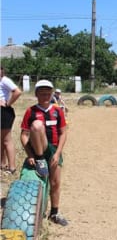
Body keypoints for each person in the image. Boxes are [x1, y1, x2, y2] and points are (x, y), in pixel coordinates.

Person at [21, 80, 68, 226]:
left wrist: (57, 153)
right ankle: (40, 159)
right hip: (37, 149)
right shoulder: (31, 111)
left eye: (48, 94)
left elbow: (63, 133)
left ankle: (54, 213)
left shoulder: (57, 111)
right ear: (36, 95)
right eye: (42, 94)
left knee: (55, 182)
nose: (46, 97)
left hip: (53, 149)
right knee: (36, 125)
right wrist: (30, 155)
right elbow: (23, 135)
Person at [0, 66, 22, 174]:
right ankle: (2, 163)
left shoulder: (5, 80)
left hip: (3, 112)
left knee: (6, 140)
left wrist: (8, 103)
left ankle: (12, 167)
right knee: (1, 140)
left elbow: (17, 91)